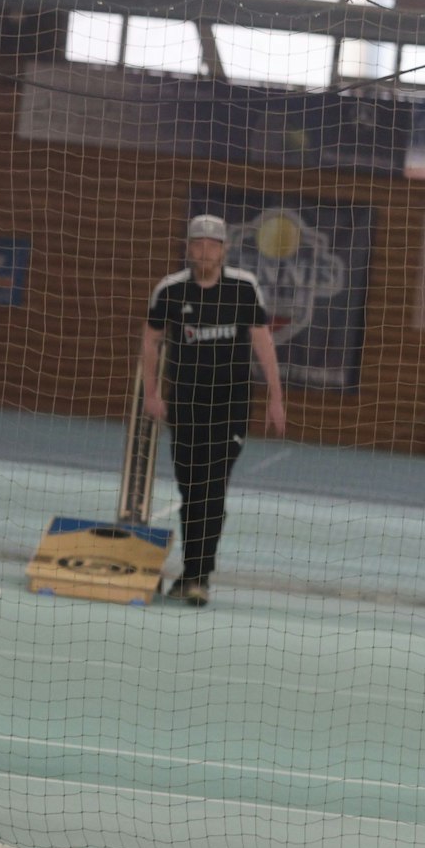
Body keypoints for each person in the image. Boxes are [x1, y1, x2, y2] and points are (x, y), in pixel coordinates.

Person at [140, 213, 286, 607]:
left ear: (224, 250)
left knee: (213, 487)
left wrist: (275, 396)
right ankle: (191, 572)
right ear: (189, 248)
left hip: (231, 406)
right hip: (185, 405)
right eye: (198, 244)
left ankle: (200, 574)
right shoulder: (170, 291)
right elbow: (151, 342)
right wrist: (151, 393)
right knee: (191, 491)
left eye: (213, 244)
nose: (205, 251)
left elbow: (263, 343)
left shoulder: (243, 289)